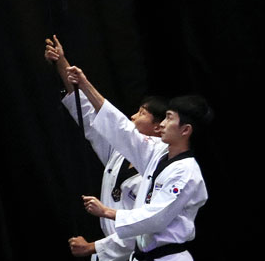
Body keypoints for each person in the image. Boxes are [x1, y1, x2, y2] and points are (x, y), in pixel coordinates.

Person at [66, 65, 212, 261]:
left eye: (169, 118)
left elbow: (155, 218)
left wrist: (107, 212)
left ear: (185, 130)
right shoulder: (157, 153)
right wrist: (84, 85)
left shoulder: (186, 173)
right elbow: (122, 128)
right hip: (142, 255)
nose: (162, 125)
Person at [44, 36, 167, 260]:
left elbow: (143, 224)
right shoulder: (119, 152)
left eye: (141, 113)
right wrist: (61, 62)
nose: (132, 116)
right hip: (108, 254)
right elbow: (87, 114)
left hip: (138, 251)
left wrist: (92, 247)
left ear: (159, 127)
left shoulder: (160, 164)